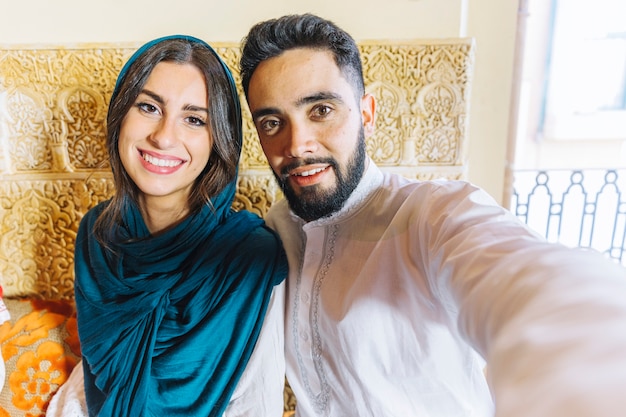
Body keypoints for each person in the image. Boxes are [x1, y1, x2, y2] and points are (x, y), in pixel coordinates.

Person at [239, 13, 626, 417]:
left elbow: (537, 287)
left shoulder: (433, 214)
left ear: (366, 114)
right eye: (272, 122)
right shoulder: (276, 229)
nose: (297, 144)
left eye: (320, 110)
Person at [46, 35, 287, 417]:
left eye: (194, 119)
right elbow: (99, 382)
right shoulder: (96, 235)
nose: (163, 136)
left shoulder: (248, 257)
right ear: (120, 116)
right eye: (148, 107)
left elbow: (257, 404)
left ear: (219, 141)